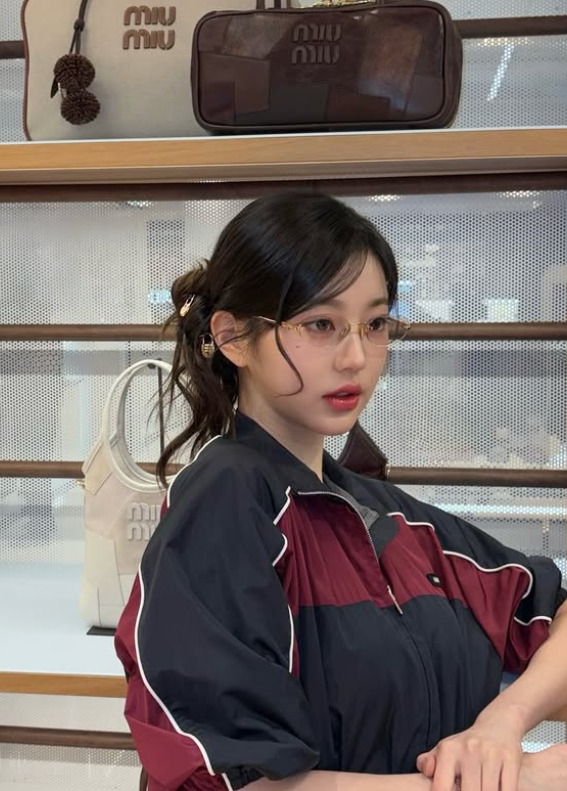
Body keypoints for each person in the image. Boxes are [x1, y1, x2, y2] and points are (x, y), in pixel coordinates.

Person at [115, 193, 567, 791]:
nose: (357, 357)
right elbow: (230, 780)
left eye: (374, 324)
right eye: (320, 325)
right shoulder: (226, 499)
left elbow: (549, 607)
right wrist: (518, 782)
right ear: (232, 338)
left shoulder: (385, 514)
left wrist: (502, 723)